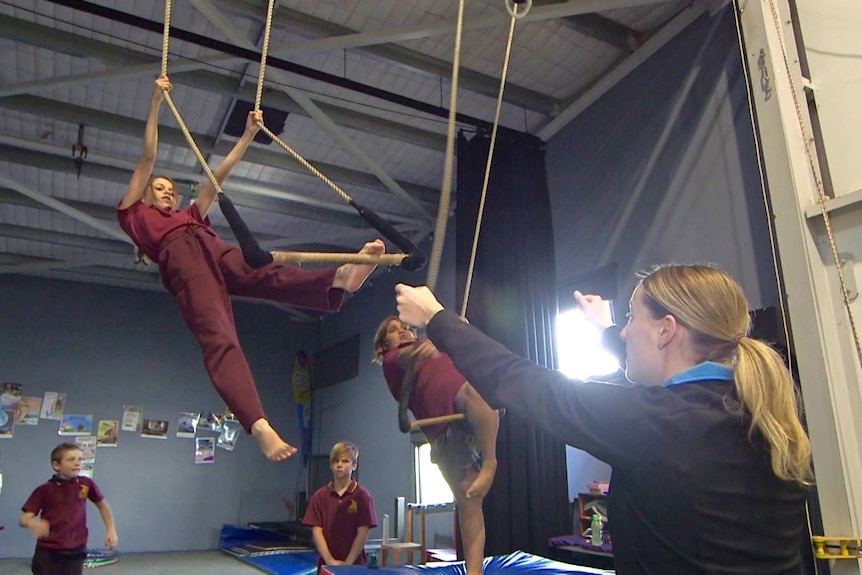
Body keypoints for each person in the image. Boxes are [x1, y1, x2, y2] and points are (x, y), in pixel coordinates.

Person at [394, 264, 813, 575]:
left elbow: (524, 383)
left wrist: (437, 319)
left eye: (631, 318)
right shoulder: (761, 414)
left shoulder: (659, 424)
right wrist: (605, 328)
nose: (626, 332)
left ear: (666, 330)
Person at [117, 75, 384, 461]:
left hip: (214, 251)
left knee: (269, 271)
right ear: (144, 194)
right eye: (159, 188)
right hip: (186, 267)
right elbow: (147, 158)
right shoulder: (134, 215)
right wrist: (156, 103)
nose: (167, 191)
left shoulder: (191, 215)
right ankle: (257, 423)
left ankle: (339, 279)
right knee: (220, 335)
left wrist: (246, 136)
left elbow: (218, 177)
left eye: (170, 189)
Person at [372, 315, 498, 575]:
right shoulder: (391, 360)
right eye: (395, 331)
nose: (404, 332)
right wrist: (426, 345)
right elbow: (406, 358)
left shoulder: (430, 344)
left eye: (406, 328)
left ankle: (490, 462)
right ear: (385, 344)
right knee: (469, 501)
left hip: (464, 405)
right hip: (443, 430)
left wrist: (457, 328)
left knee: (481, 395)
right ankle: (475, 572)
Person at [20, 443, 118, 575]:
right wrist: (33, 523)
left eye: (80, 459)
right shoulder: (44, 490)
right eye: (71, 459)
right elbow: (24, 519)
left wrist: (111, 530)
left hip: (76, 549)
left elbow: (103, 506)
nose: (77, 463)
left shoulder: (86, 484)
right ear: (56, 465)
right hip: (49, 551)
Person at [302, 441, 377, 571]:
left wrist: (348, 563)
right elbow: (317, 531)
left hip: (355, 566)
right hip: (326, 566)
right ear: (331, 465)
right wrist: (330, 561)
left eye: (345, 461)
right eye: (336, 461)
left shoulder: (362, 496)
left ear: (354, 465)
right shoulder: (320, 496)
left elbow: (362, 533)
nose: (339, 465)